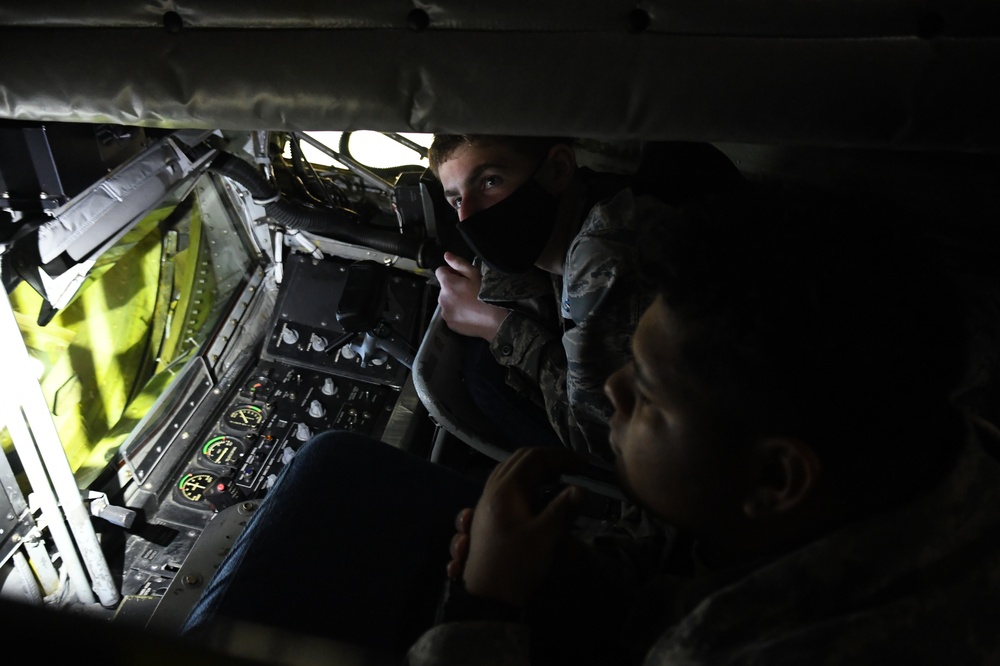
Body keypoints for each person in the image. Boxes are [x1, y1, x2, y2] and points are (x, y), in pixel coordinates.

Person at [183, 182, 1000, 664]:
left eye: (647, 395)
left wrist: (483, 605)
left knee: (332, 477)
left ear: (777, 477)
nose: (608, 392)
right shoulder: (927, 457)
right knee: (337, 469)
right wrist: (572, 580)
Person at [430, 134, 679, 459]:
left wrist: (493, 324)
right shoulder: (586, 200)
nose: (468, 217)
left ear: (559, 169)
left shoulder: (602, 254)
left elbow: (602, 438)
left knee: (483, 375)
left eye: (490, 181)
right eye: (457, 201)